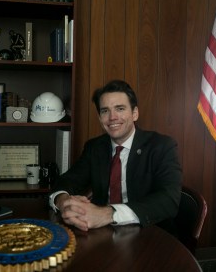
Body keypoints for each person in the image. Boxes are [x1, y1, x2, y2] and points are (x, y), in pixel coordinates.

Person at [49, 79, 182, 234]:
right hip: (103, 235)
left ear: (135, 113)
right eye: (105, 111)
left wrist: (108, 213)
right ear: (100, 118)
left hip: (151, 234)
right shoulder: (94, 147)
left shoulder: (161, 146)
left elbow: (169, 200)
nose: (112, 117)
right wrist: (63, 200)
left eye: (120, 108)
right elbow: (67, 180)